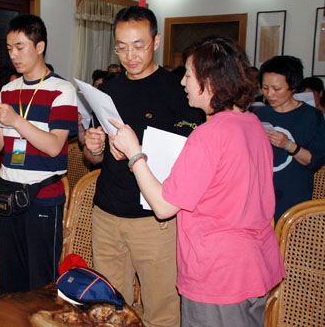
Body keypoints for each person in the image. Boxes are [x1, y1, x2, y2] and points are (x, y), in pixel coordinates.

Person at [109, 36, 285, 327]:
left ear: (210, 81)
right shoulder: (252, 124)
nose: (183, 83)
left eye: (189, 76)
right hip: (255, 265)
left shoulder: (209, 134)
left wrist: (134, 154)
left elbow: (164, 207)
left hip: (219, 274)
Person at [83, 6, 203, 327]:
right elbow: (96, 159)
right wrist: (93, 148)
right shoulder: (108, 89)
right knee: (108, 307)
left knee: (161, 310)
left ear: (156, 41)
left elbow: (184, 164)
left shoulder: (179, 92)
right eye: (121, 47)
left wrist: (136, 154)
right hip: (107, 212)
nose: (130, 55)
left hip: (154, 219)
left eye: (138, 45)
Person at [0, 14, 78, 294]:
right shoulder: (8, 91)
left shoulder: (62, 90)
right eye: (9, 48)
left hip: (43, 196)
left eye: (20, 47)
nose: (13, 54)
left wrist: (15, 121)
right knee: (10, 277)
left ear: (40, 47)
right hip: (9, 193)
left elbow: (53, 146)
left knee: (41, 280)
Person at [254, 56, 325, 220]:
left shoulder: (311, 116)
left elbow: (314, 160)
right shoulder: (260, 115)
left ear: (293, 87)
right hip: (260, 199)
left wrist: (288, 145)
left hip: (293, 202)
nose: (269, 94)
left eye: (276, 89)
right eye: (265, 87)